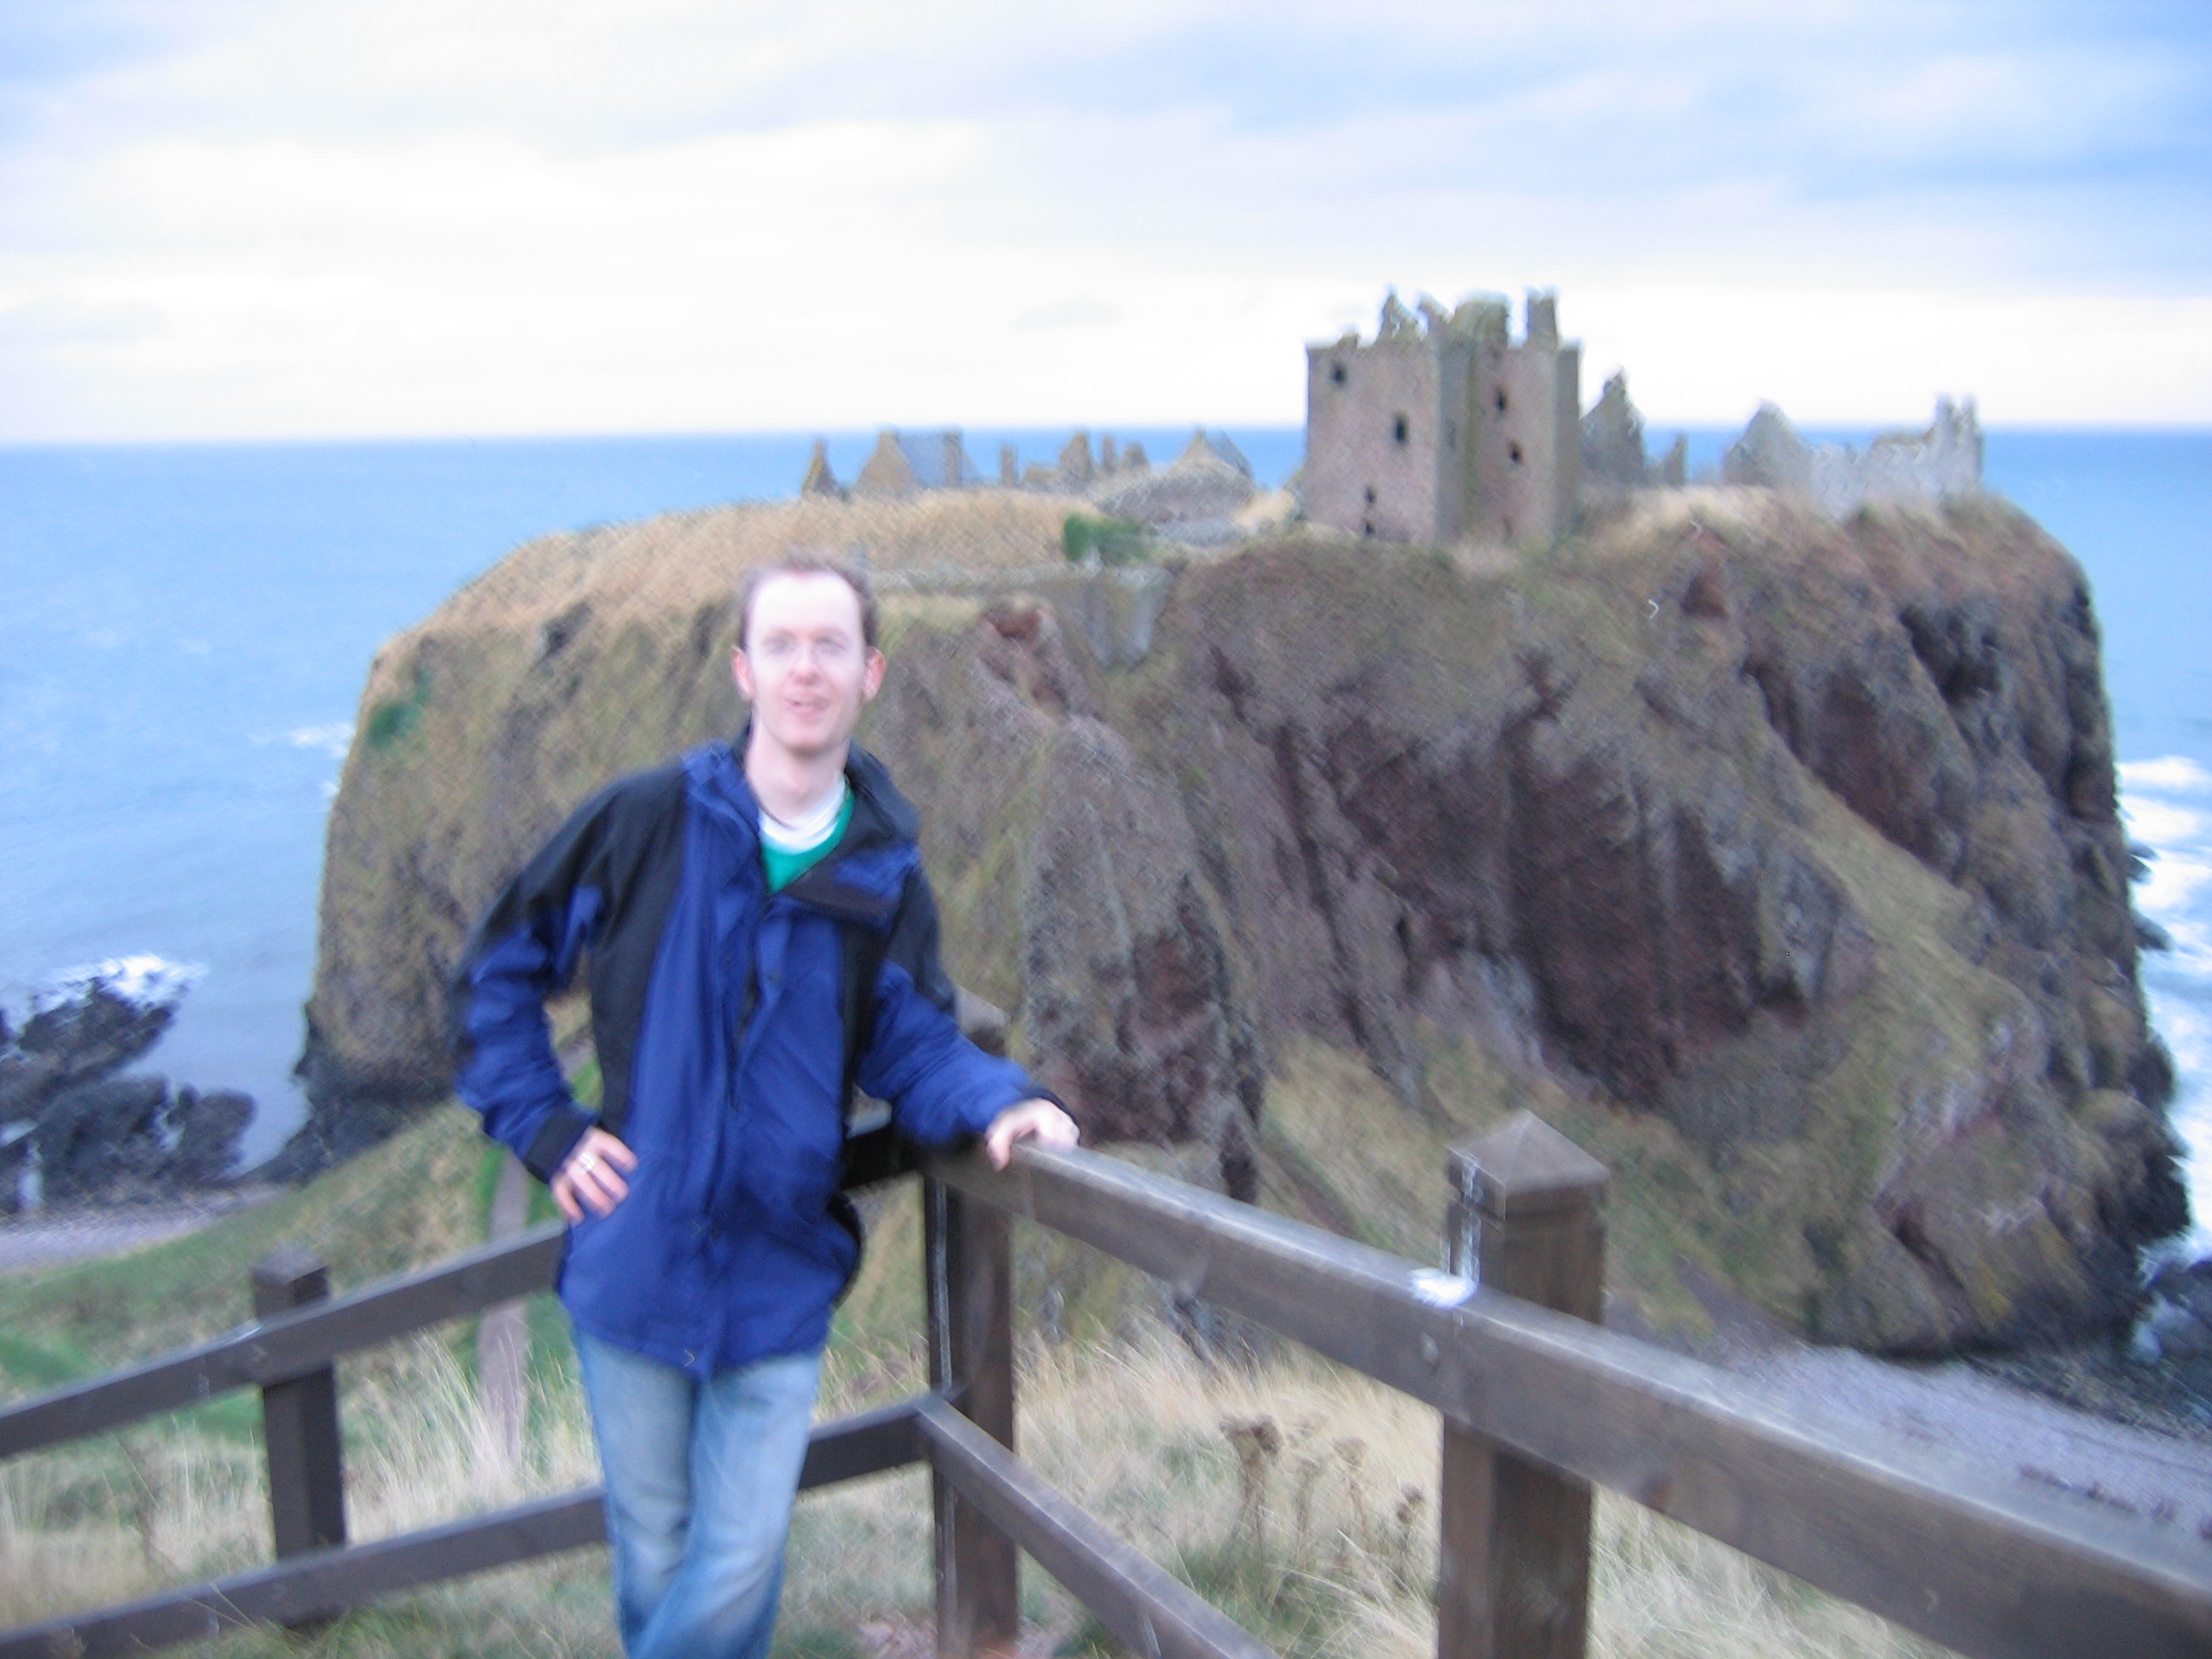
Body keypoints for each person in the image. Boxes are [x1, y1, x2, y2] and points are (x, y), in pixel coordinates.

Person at [449, 554, 1079, 1659]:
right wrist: (546, 1128)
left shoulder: (879, 870)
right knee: (654, 1558)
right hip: (633, 1261)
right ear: (743, 669)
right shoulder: (646, 824)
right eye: (780, 644)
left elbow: (912, 1033)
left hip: (778, 1273)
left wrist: (1001, 1098)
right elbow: (499, 968)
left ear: (870, 672)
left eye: (829, 645)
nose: (805, 668)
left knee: (736, 1564)